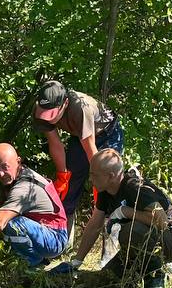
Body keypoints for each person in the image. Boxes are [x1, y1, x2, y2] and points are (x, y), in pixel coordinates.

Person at [50, 149, 172, 288]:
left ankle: (156, 278)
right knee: (107, 279)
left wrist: (126, 211)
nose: (90, 179)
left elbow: (162, 222)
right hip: (143, 244)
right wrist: (77, 261)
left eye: (94, 175)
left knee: (132, 230)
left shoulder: (134, 187)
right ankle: (138, 277)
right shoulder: (105, 191)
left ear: (111, 176)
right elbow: (94, 225)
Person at [31, 81, 124, 233]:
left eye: (52, 114)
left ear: (65, 103)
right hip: (78, 134)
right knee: (70, 185)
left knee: (109, 182)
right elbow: (55, 143)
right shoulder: (41, 109)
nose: (47, 119)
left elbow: (91, 151)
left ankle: (112, 230)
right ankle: (62, 237)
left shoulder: (80, 108)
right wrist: (63, 175)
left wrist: (99, 183)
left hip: (107, 133)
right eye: (45, 114)